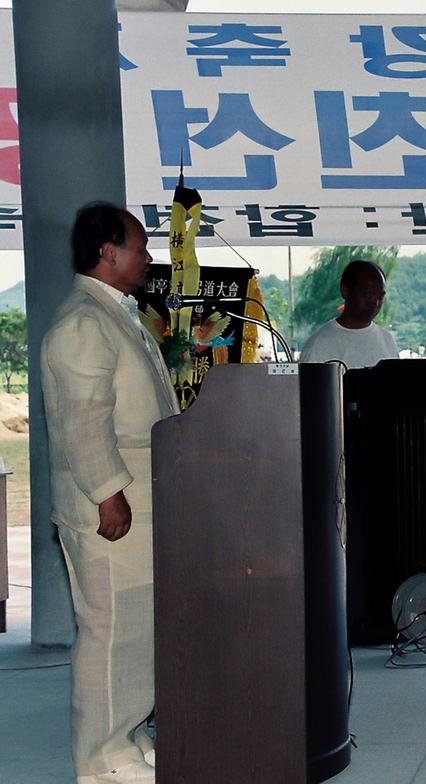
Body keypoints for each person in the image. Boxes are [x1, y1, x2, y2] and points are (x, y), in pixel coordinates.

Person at [43, 203, 181, 783]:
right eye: (139, 246)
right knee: (108, 631)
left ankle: (126, 737)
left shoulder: (115, 313)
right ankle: (101, 759)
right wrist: (107, 493)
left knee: (138, 630)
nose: (148, 257)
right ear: (108, 252)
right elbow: (83, 419)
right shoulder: (83, 322)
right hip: (111, 508)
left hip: (142, 502)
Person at [301, 259, 399, 367]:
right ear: (345, 291)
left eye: (380, 297)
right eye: (369, 294)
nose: (375, 302)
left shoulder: (387, 341)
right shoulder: (318, 346)